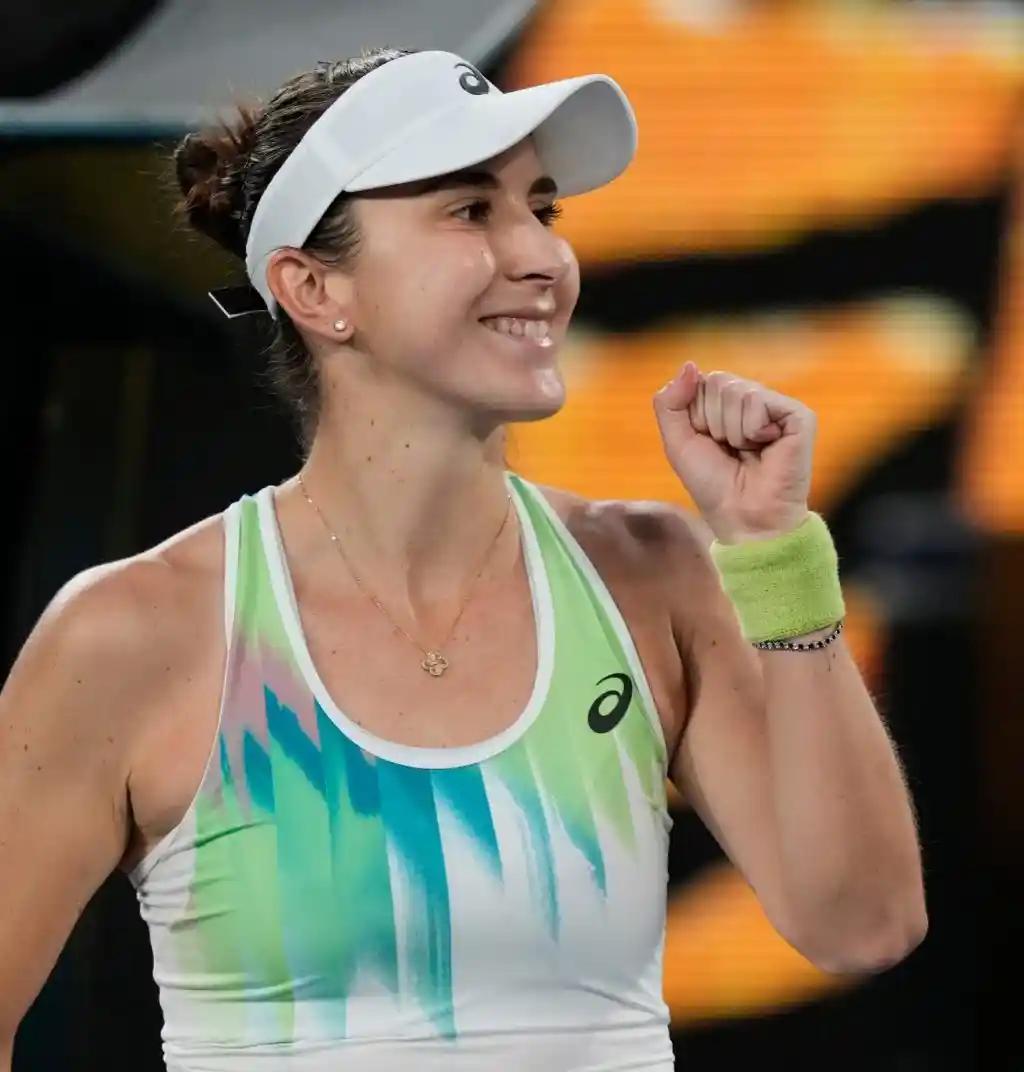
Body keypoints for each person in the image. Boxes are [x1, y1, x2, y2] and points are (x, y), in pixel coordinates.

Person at [0, 46, 926, 1072]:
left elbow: (864, 924)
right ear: (312, 287)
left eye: (544, 208)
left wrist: (778, 557)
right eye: (471, 210)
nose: (543, 256)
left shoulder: (653, 573)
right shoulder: (132, 633)